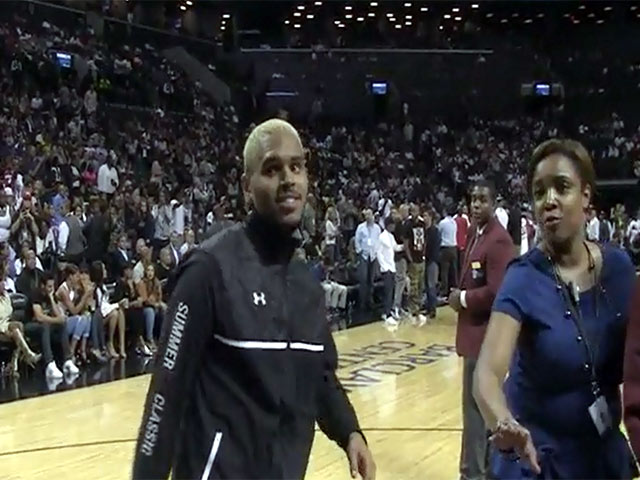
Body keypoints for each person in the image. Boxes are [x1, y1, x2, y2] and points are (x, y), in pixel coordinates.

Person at [132, 118, 375, 480]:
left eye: (296, 167)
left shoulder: (306, 285)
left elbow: (318, 377)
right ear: (247, 186)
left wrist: (350, 431)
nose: (288, 179)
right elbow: (165, 397)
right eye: (272, 169)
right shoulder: (209, 270)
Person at [473, 139, 638, 478]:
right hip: (537, 458)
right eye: (538, 192)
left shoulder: (620, 270)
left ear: (586, 196)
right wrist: (503, 423)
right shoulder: (522, 277)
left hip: (599, 459)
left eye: (562, 187)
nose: (549, 201)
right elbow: (487, 373)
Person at [449, 180, 514, 480]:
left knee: (475, 417)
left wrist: (462, 298)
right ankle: (486, 473)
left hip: (486, 340)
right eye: (473, 199)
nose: (476, 205)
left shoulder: (498, 240)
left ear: (494, 202)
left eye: (482, 200)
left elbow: (498, 291)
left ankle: (472, 475)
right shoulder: (477, 234)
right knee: (480, 415)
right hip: (475, 338)